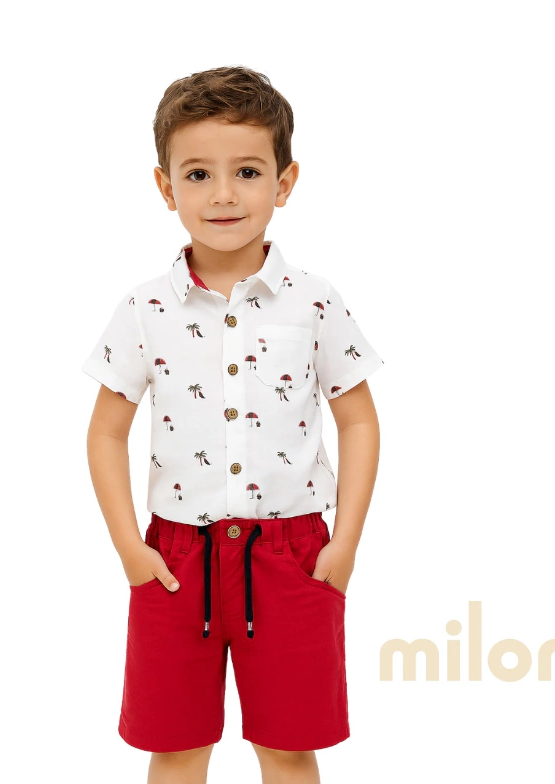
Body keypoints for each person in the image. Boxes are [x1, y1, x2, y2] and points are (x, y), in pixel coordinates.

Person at [81, 65, 384, 784]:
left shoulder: (314, 301)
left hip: (292, 553)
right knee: (176, 747)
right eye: (198, 174)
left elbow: (358, 421)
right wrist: (129, 549)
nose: (223, 194)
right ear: (166, 188)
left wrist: (344, 542)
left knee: (287, 747)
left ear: (284, 182)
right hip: (175, 561)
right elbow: (106, 432)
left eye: (247, 171)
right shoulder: (144, 309)